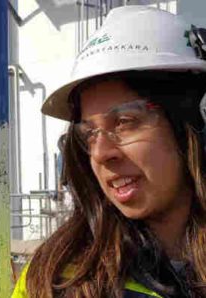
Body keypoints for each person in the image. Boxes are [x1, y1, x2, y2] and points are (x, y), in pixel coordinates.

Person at [12, 5, 206, 298]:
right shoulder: (58, 281)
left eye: (126, 122)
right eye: (89, 134)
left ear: (193, 123)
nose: (101, 154)